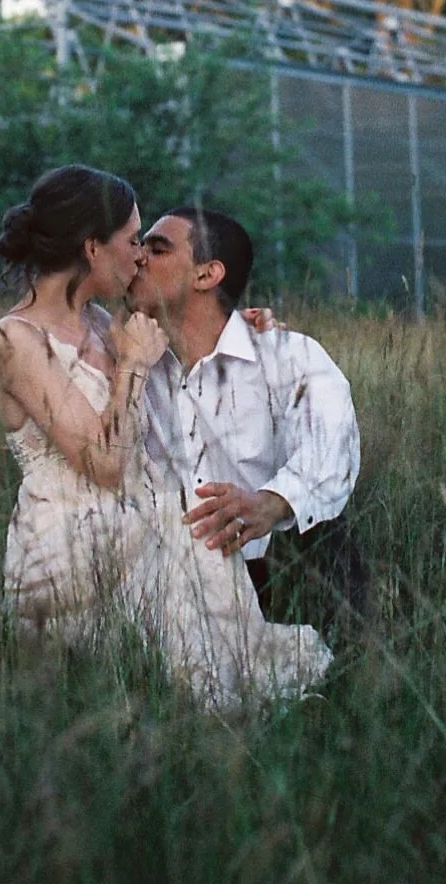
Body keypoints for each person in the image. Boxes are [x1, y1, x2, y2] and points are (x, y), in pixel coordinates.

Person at [0, 165, 333, 710]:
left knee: (212, 599)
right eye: (131, 241)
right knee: (178, 663)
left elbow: (189, 347)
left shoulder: (101, 321)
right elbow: (104, 464)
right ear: (93, 248)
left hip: (142, 528)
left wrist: (241, 326)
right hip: (72, 552)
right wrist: (133, 365)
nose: (139, 256)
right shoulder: (16, 339)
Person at [127, 207, 361, 619]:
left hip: (275, 569)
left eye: (158, 249)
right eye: (138, 245)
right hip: (166, 584)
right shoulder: (131, 362)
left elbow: (333, 443)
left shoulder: (286, 355)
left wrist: (271, 503)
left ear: (207, 275)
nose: (138, 257)